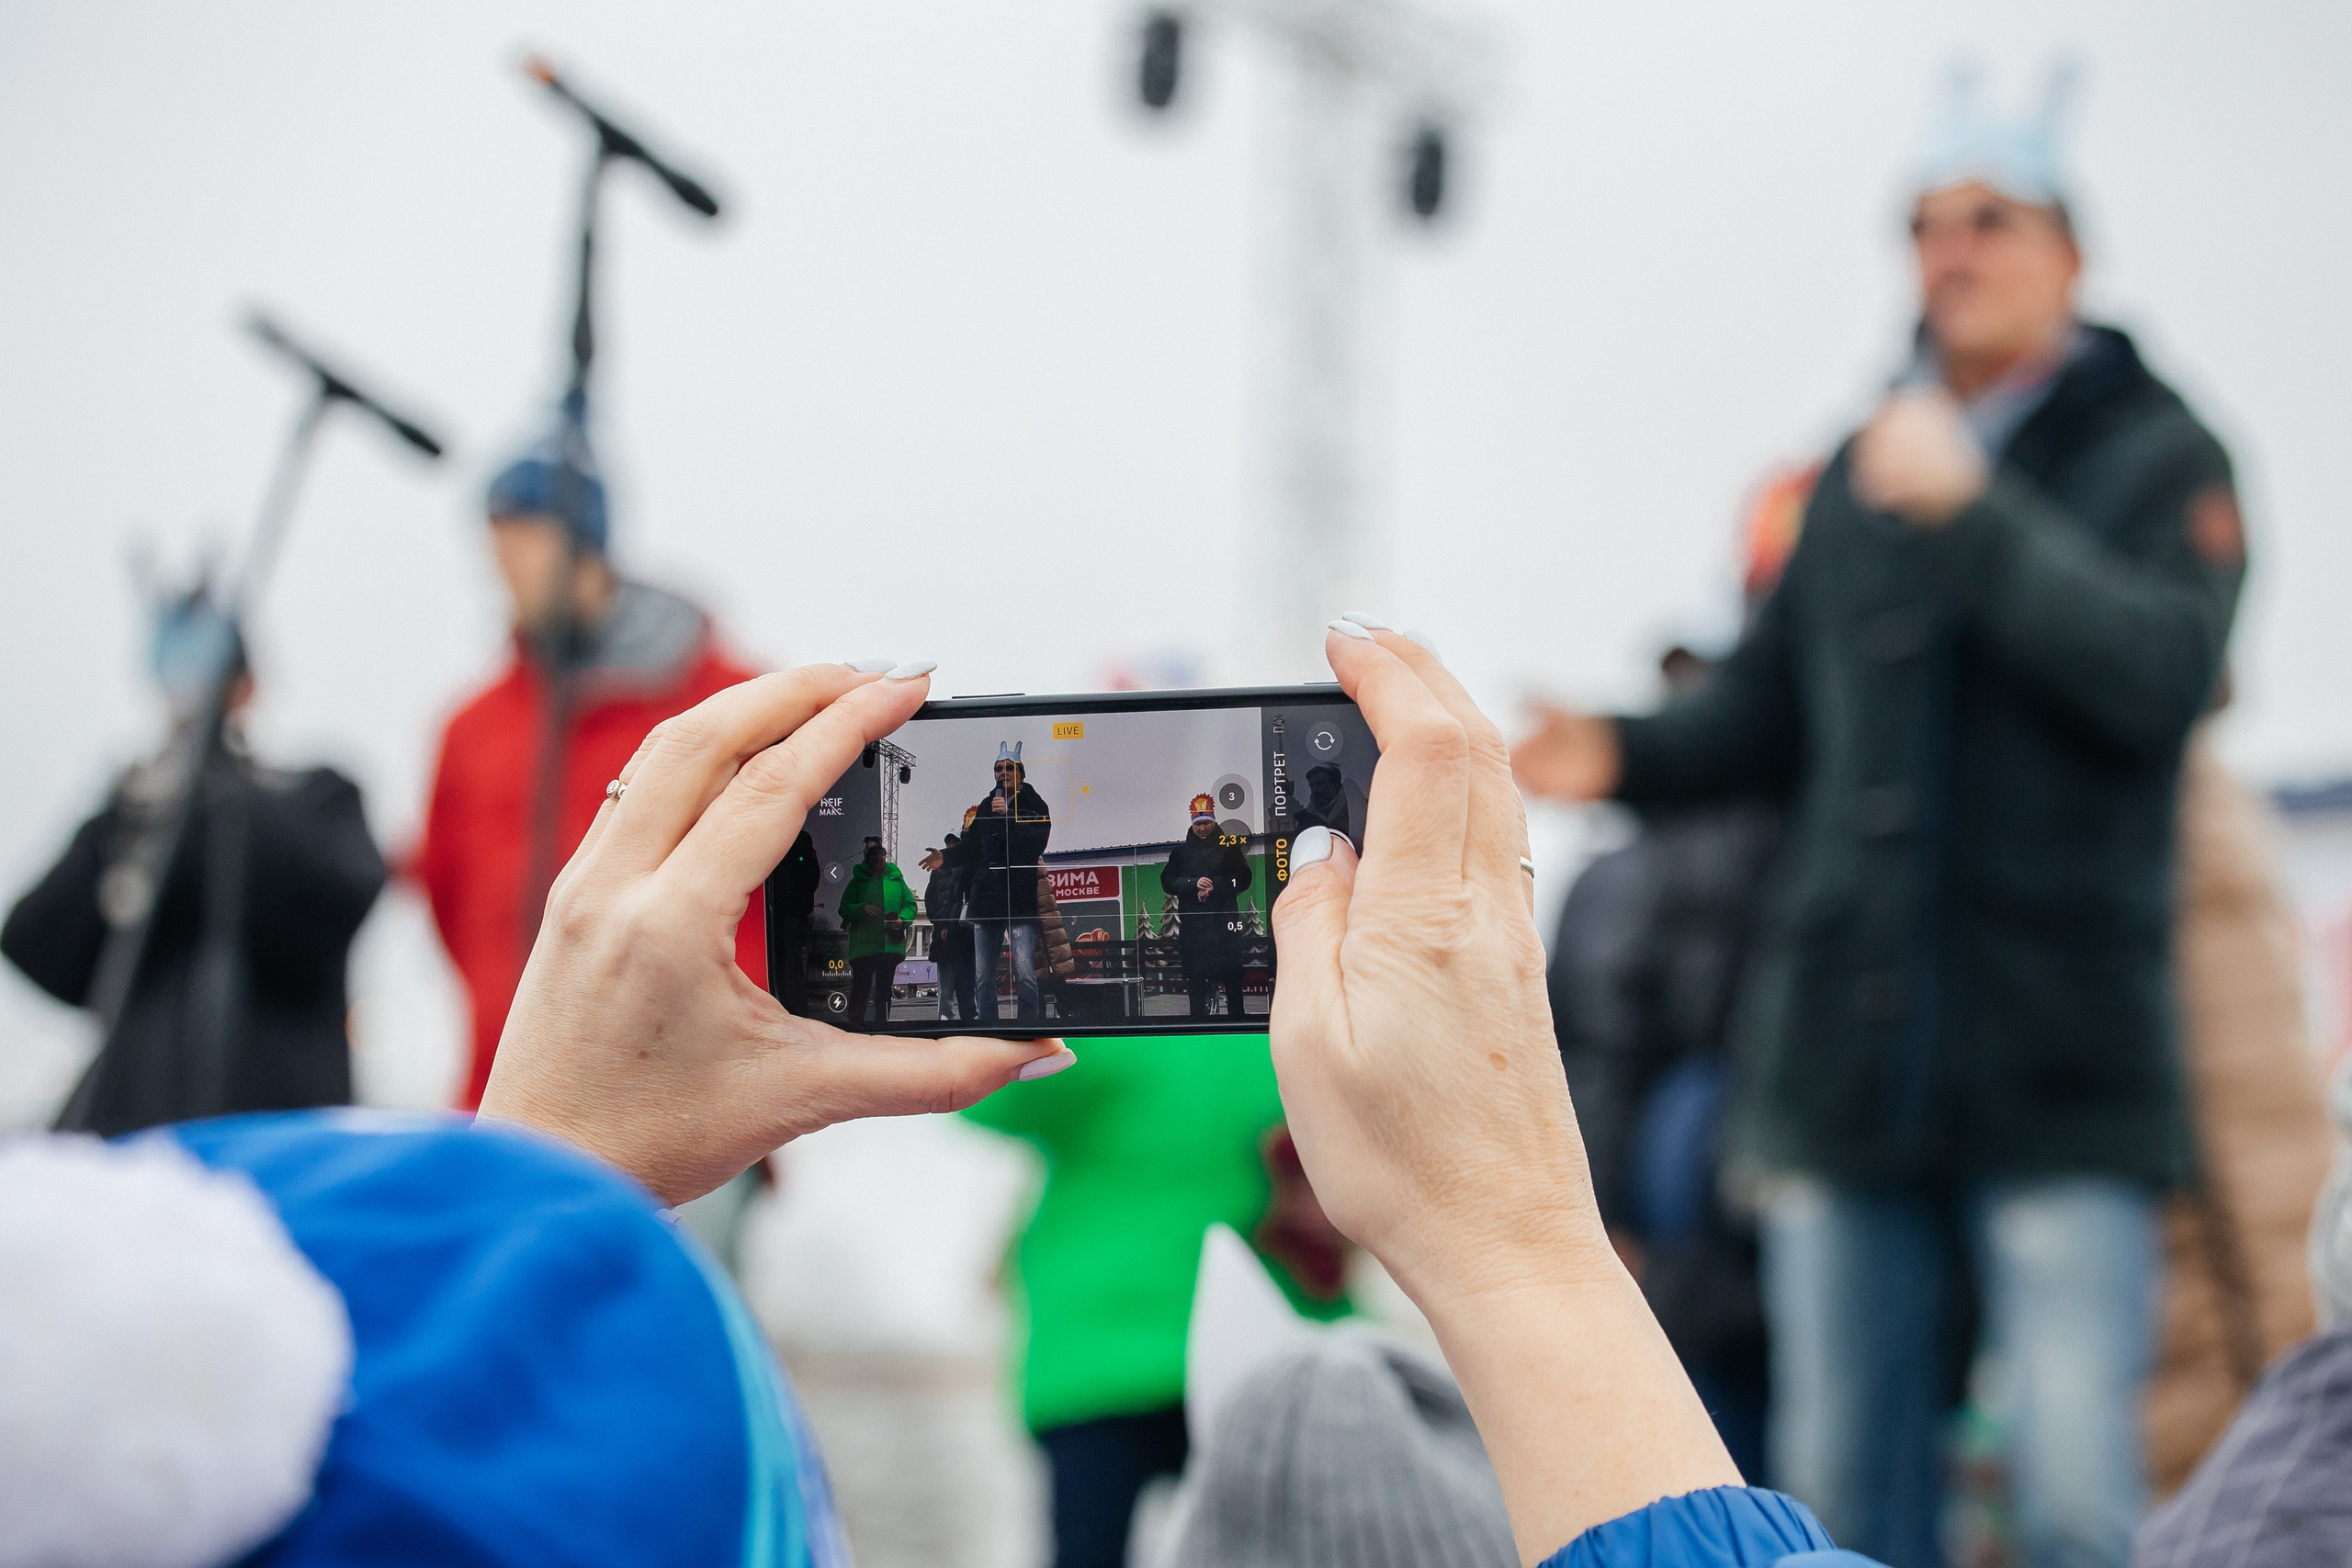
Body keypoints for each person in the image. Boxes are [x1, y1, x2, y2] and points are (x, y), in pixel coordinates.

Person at [6, 635, 1840, 1568]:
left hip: (1104, 1342)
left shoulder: (1171, 1014)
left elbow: (1008, 1102)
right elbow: (1031, 1097)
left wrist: (535, 1160)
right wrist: (1524, 1251)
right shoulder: (1278, 999)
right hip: (1163, 1335)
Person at [1513, 75, 2245, 1568]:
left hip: (2059, 1058)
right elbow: (1768, 715)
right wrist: (1621, 751)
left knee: (2069, 1490)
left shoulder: (2166, 460)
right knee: (1842, 1485)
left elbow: (2162, 671)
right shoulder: (1863, 470)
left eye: (1988, 221)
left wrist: (1976, 515)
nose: (1950, 254)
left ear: (2069, 258)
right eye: (1924, 227)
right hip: (1852, 1061)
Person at [412, 399, 768, 1109]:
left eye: (522, 535)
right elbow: (444, 897)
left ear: (584, 537)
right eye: (494, 541)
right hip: (504, 1095)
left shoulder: (729, 703)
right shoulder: (470, 727)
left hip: (689, 1096)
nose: (501, 563)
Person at [3, 586, 384, 1136]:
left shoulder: (316, 795)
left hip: (275, 1137)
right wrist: (118, 828)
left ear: (248, 688)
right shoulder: (134, 813)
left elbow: (340, 899)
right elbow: (32, 943)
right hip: (135, 1142)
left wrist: (213, 795)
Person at [961, 1039, 1350, 1568]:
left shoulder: (1106, 1035)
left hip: (1104, 1344)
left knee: (1089, 1549)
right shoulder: (1293, 1031)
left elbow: (985, 1094)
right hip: (1260, 1339)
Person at [1549, 647, 1781, 1481]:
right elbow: (1595, 1054)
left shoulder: (1610, 877)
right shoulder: (1765, 855)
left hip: (1671, 1221)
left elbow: (1584, 1061)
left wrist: (1598, 1217)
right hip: (1706, 1215)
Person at [962, 742, 1051, 1024]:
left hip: (1020, 901)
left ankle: (1028, 1027)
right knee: (983, 975)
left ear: (1022, 774)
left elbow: (1037, 843)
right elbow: (973, 851)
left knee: (1025, 971)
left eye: (1009, 768)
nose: (1003, 773)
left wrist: (1009, 818)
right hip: (988, 901)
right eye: (998, 769)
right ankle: (989, 1029)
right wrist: (949, 853)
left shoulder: (1036, 806)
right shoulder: (986, 806)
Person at [1161, 794, 1255, 1021]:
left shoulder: (1230, 849)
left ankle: (1237, 1024)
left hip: (1225, 928)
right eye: (1198, 824)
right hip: (1195, 930)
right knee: (1196, 981)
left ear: (1214, 822)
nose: (1202, 828)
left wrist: (1214, 887)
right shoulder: (1180, 853)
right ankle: (1198, 1024)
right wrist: (1193, 884)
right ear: (1192, 824)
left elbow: (1243, 879)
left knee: (1232, 979)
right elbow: (1167, 881)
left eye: (1206, 823)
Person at [837, 836, 915, 1027]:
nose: (879, 857)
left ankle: (883, 1026)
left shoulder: (896, 878)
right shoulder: (858, 881)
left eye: (882, 854)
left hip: (889, 946)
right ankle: (855, 1027)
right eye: (875, 854)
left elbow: (910, 904)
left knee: (884, 989)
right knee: (861, 988)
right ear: (867, 857)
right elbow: (844, 908)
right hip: (864, 948)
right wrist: (862, 908)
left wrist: (902, 920)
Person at [922, 818, 978, 1021]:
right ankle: (946, 1017)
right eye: (949, 844)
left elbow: (958, 896)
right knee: (947, 977)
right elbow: (931, 899)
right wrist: (941, 924)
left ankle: (970, 1015)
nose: (950, 847)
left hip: (963, 925)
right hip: (946, 928)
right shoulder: (939, 870)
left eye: (954, 843)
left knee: (969, 973)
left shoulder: (967, 864)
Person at [771, 829, 821, 1017]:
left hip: (788, 911)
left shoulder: (798, 839)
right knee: (792, 963)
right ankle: (795, 1008)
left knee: (789, 962)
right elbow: (813, 875)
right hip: (792, 911)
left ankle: (792, 1008)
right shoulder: (802, 839)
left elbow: (811, 875)